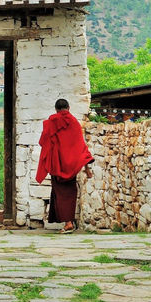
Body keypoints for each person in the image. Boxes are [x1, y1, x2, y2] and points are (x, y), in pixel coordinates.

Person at [36, 99, 94, 234]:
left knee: (59, 193)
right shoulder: (74, 123)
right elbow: (80, 146)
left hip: (57, 165)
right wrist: (86, 167)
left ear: (56, 109)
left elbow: (43, 141)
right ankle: (68, 222)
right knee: (68, 194)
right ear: (68, 107)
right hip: (71, 167)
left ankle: (68, 223)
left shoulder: (52, 122)